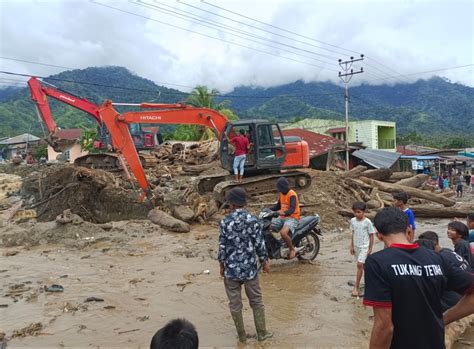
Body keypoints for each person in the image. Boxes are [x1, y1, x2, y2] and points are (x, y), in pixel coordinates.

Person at [363, 207, 474, 349]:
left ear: (378, 235)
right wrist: (444, 319)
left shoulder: (377, 263)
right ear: (409, 230)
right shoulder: (437, 258)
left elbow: (384, 326)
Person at [218, 187, 272, 343]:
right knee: (256, 301)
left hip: (231, 270)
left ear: (232, 204)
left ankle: (241, 337)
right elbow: (259, 244)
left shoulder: (225, 222)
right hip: (249, 270)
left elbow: (222, 246)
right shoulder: (252, 220)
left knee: (235, 304)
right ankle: (262, 334)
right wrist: (265, 261)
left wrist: (222, 266)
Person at [418, 231, 472, 311]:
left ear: (434, 243)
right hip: (465, 288)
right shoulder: (447, 251)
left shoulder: (440, 258)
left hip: (459, 296)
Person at [270, 177, 301, 259]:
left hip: (292, 218)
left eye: (280, 188)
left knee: (283, 233)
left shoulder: (292, 194)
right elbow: (277, 206)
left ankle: (292, 249)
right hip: (282, 217)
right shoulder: (281, 194)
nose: (279, 190)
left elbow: (292, 209)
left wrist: (284, 212)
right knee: (268, 227)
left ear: (283, 187)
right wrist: (268, 210)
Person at [349, 201, 375, 297]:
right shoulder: (352, 221)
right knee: (364, 266)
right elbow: (352, 233)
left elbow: (371, 235)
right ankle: (370, 283)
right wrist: (351, 246)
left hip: (364, 246)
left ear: (364, 212)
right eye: (355, 212)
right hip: (356, 246)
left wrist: (370, 248)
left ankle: (356, 287)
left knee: (359, 265)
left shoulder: (367, 222)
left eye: (359, 212)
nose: (357, 214)